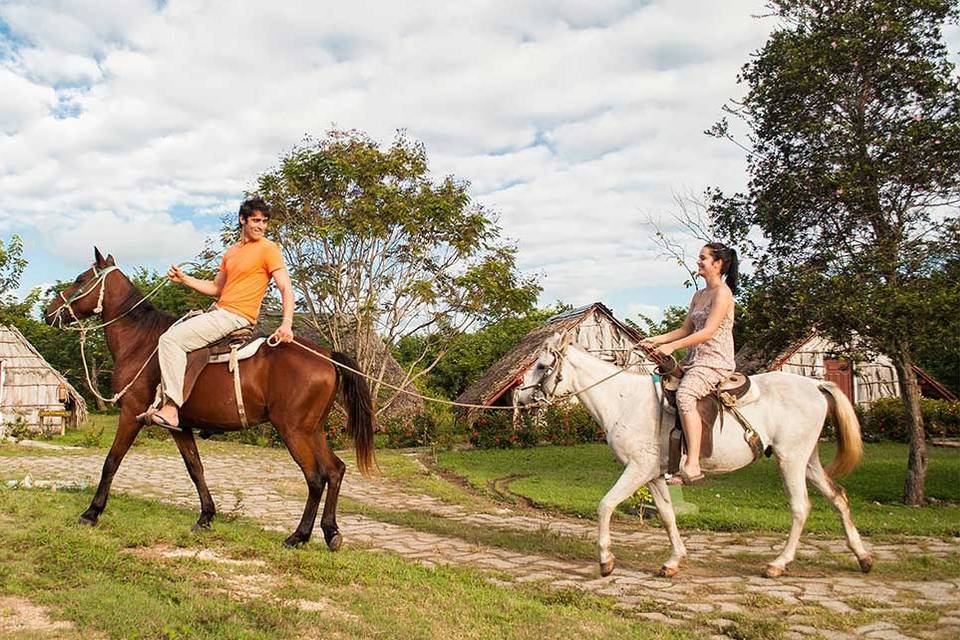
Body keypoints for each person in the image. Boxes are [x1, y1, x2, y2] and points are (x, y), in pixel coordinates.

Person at [138, 197, 296, 429]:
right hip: (219, 311)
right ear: (243, 220)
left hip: (235, 316)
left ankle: (171, 409)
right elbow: (216, 288)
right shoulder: (231, 253)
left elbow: (285, 287)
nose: (260, 226)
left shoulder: (268, 249)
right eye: (255, 221)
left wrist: (287, 323)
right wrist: (184, 279)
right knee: (183, 339)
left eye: (264, 221)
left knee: (169, 340)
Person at [641, 242, 739, 485]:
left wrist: (673, 347)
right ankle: (668, 459)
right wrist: (654, 340)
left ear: (718, 264)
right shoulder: (699, 295)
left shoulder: (723, 294)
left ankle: (693, 463)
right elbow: (686, 329)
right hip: (693, 361)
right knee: (660, 390)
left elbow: (708, 332)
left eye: (703, 258)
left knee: (685, 396)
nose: (699, 261)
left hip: (714, 362)